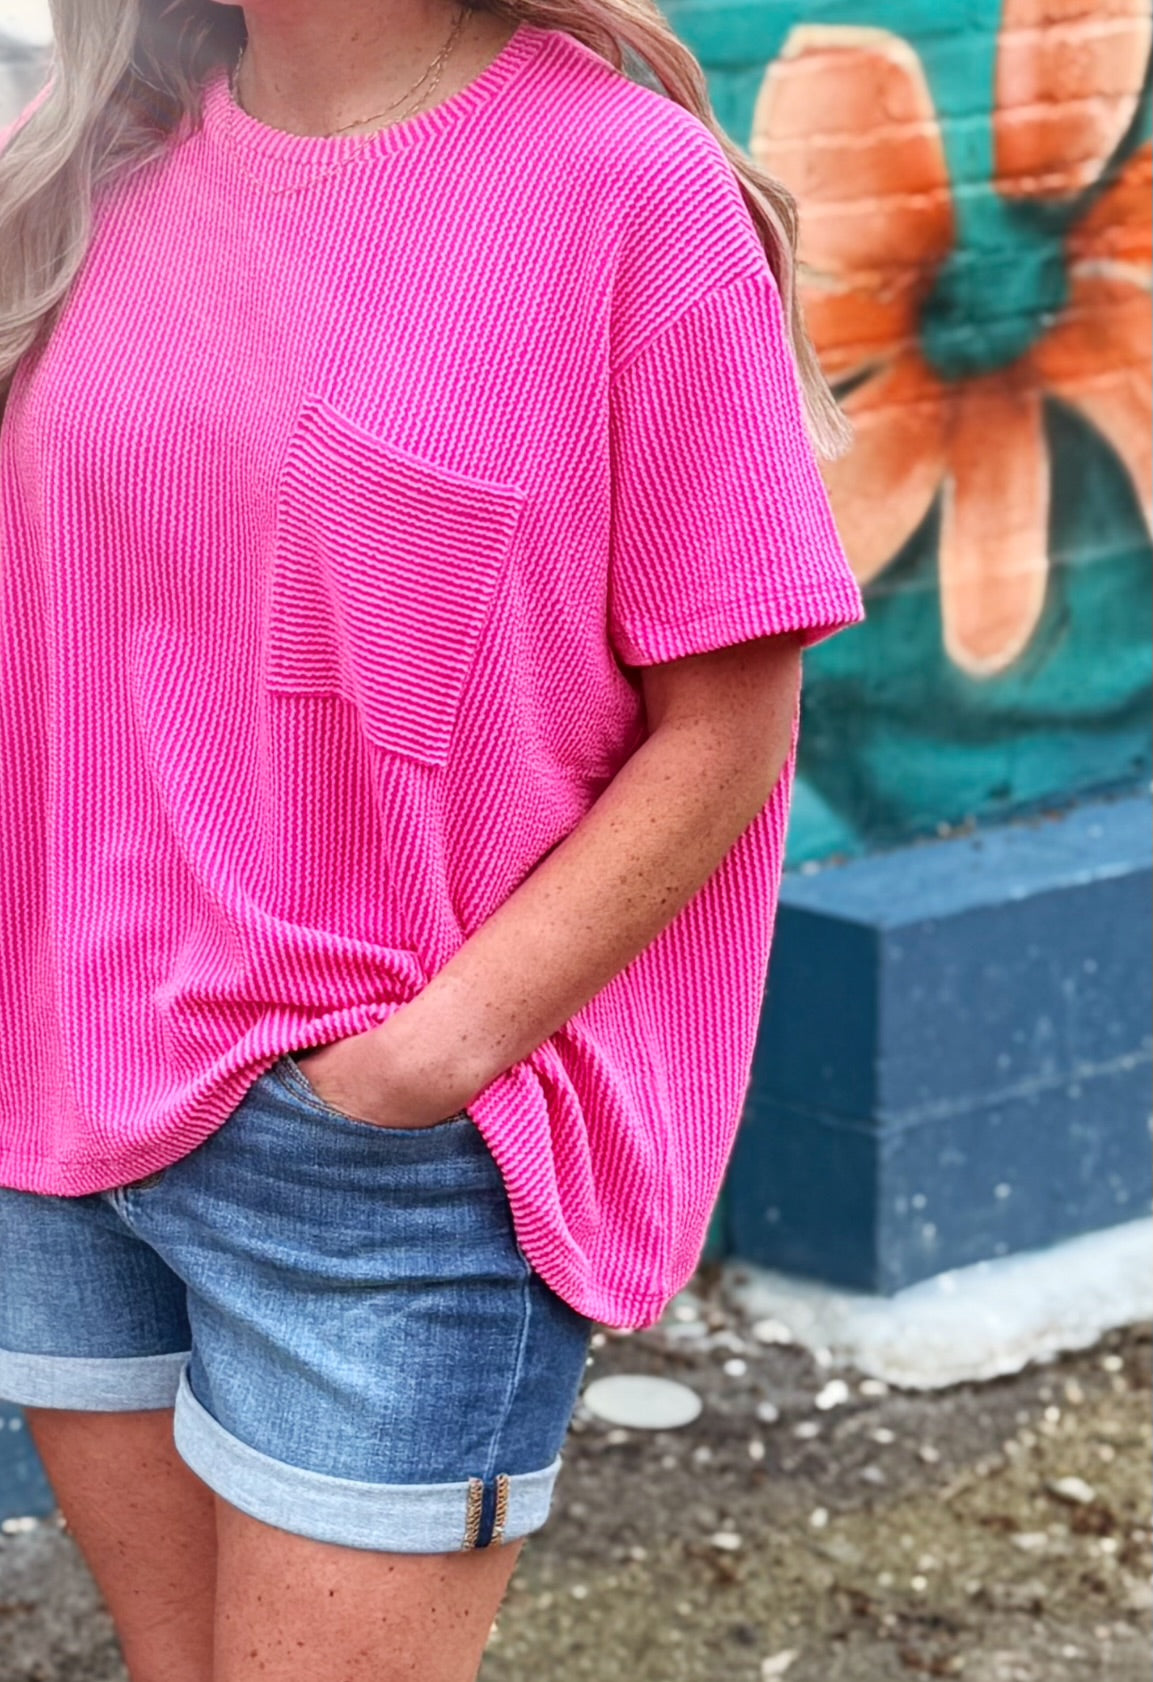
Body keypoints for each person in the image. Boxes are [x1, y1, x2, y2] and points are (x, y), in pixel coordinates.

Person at [0, 2, 865, 1678]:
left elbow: (727, 727)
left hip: (371, 1162)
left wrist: (423, 1063)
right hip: (60, 1099)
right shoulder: (85, 158)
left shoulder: (621, 187)